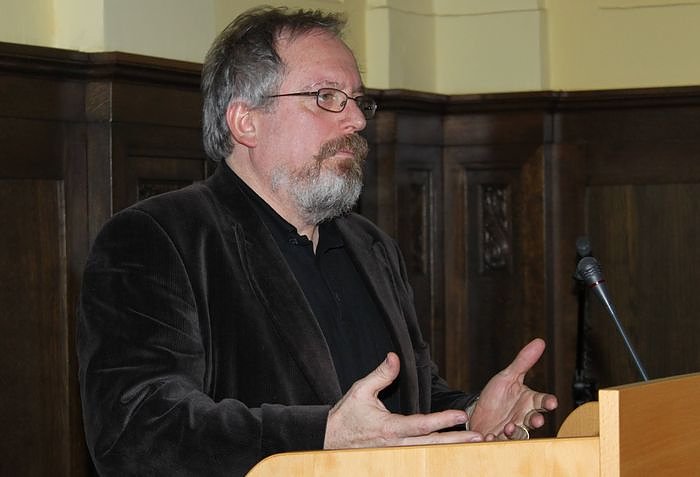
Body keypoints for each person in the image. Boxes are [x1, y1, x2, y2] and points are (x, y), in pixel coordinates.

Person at [77, 6, 557, 476]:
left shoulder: (371, 246)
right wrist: (320, 435)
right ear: (246, 121)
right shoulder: (156, 238)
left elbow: (400, 405)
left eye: (358, 101)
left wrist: (469, 417)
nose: (357, 121)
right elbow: (135, 430)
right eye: (327, 96)